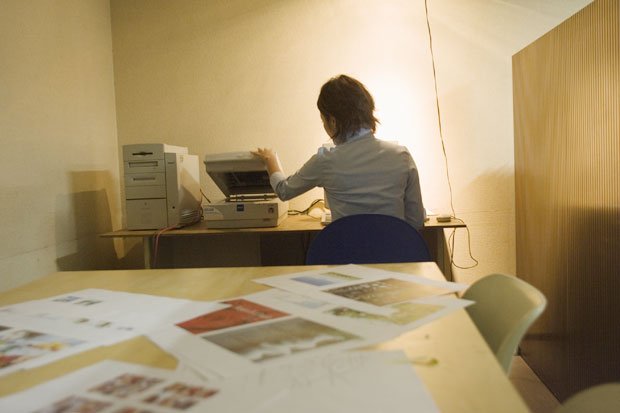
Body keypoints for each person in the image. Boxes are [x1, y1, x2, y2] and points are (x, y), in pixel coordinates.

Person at [253, 74, 425, 229]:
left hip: (348, 260)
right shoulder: (401, 155)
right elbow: (415, 221)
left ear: (333, 121)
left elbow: (284, 191)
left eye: (323, 120)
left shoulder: (325, 160)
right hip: (397, 260)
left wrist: (270, 160)